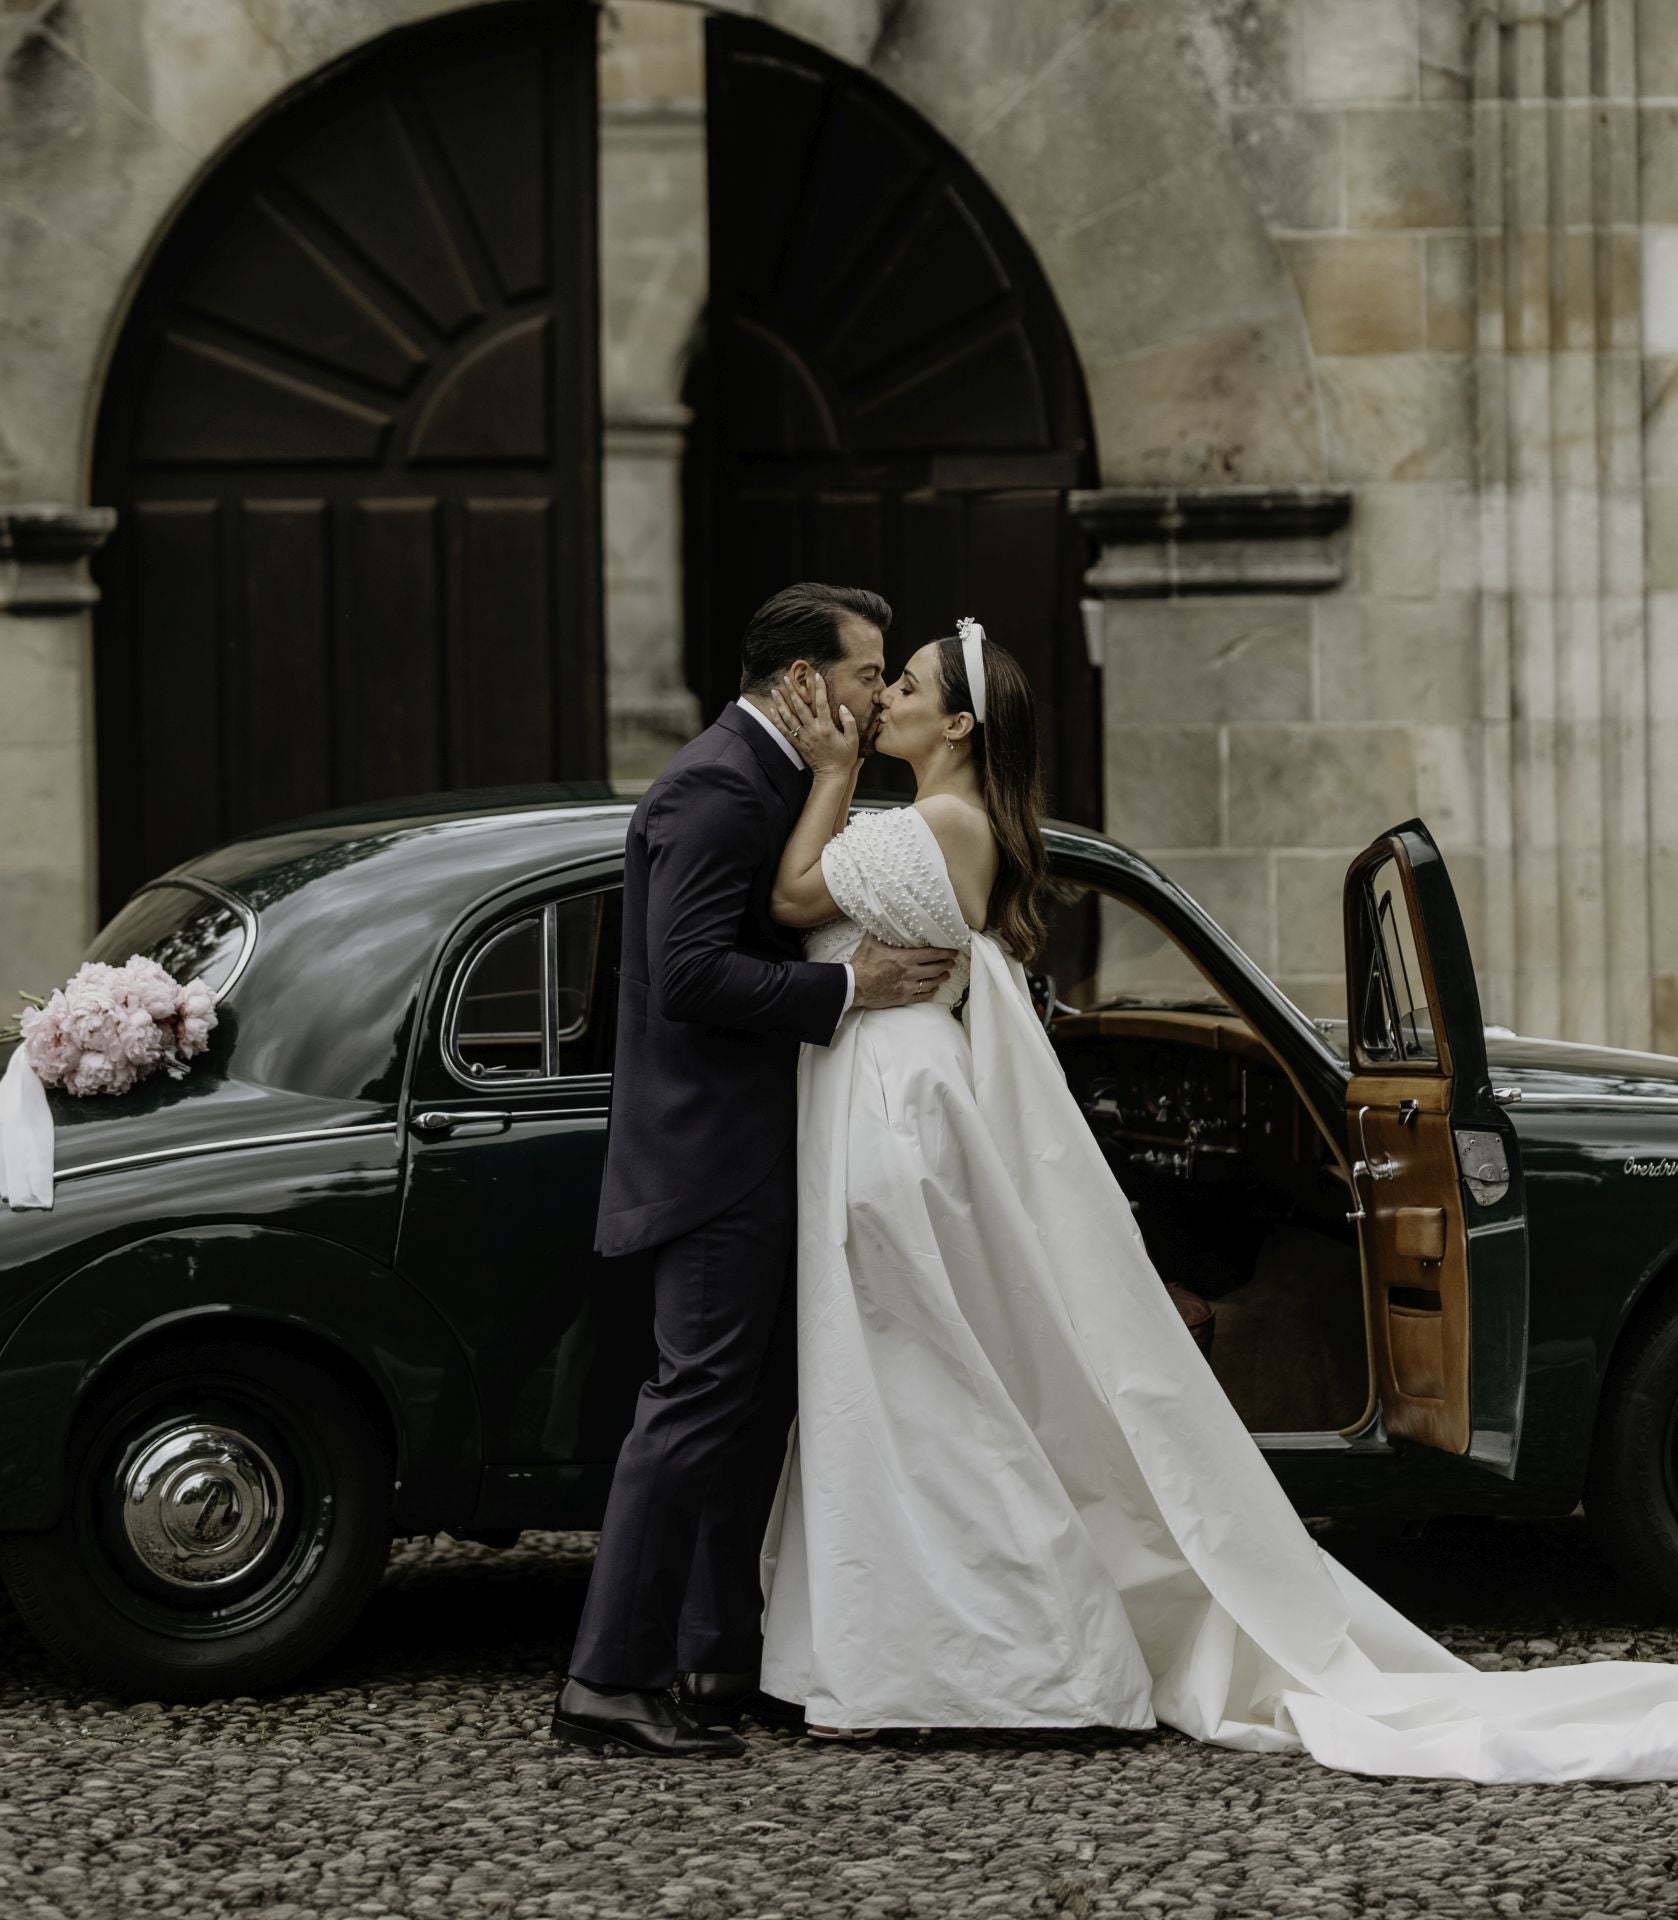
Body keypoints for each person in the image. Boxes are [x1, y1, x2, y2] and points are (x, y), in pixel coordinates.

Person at [749, 614, 1678, 1783]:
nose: (881, 697)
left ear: (959, 723)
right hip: (893, 1106)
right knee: (913, 1383)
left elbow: (791, 897)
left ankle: (953, 1651)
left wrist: (829, 772)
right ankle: (920, 1647)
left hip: (896, 1115)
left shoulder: (938, 821)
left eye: (908, 685)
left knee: (921, 1385)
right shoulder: (941, 821)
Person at [549, 583, 959, 1759]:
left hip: (760, 1148)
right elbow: (686, 977)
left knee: (744, 1413)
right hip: (712, 1155)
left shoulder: (776, 776)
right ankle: (606, 1682)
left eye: (888, 674)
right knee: (690, 1411)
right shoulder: (717, 785)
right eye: (865, 670)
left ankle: (717, 1652)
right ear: (800, 681)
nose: (878, 692)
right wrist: (846, 989)